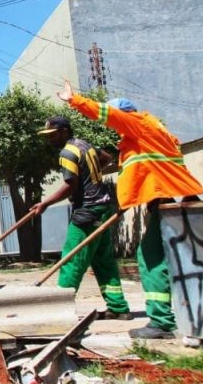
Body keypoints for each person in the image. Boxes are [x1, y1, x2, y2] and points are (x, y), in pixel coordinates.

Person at [57, 79, 203, 339]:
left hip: (170, 202)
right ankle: (183, 318)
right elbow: (148, 173)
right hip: (175, 201)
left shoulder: (140, 125)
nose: (115, 128)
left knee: (150, 260)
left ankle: (161, 322)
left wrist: (74, 100)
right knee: (172, 259)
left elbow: (108, 115)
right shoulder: (150, 136)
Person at [29, 116, 132, 320]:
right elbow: (108, 158)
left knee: (72, 260)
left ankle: (60, 310)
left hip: (86, 211)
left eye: (53, 134)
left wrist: (44, 204)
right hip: (104, 207)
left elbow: (70, 186)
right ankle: (118, 308)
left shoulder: (67, 153)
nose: (50, 139)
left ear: (65, 131)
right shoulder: (85, 145)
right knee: (104, 261)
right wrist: (90, 176)